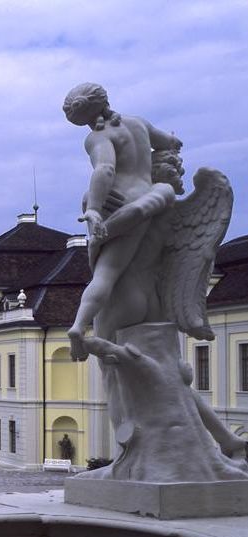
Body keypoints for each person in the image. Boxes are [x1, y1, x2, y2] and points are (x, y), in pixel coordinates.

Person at [63, 83, 182, 361]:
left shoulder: (97, 136)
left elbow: (105, 168)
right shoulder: (138, 123)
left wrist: (93, 208)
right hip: (146, 196)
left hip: (122, 205)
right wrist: (173, 145)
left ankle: (79, 325)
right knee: (118, 270)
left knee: (107, 271)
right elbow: (169, 143)